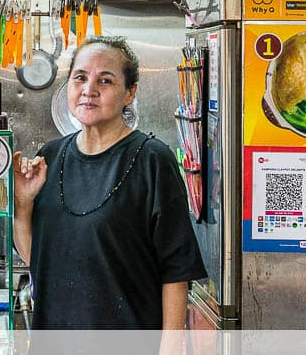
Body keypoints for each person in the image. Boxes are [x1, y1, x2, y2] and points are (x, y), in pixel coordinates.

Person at [14, 35, 206, 334]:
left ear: (130, 93)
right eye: (80, 78)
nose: (89, 90)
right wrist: (23, 203)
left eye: (105, 81)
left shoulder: (152, 161)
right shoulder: (49, 158)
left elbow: (176, 274)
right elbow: (38, 261)